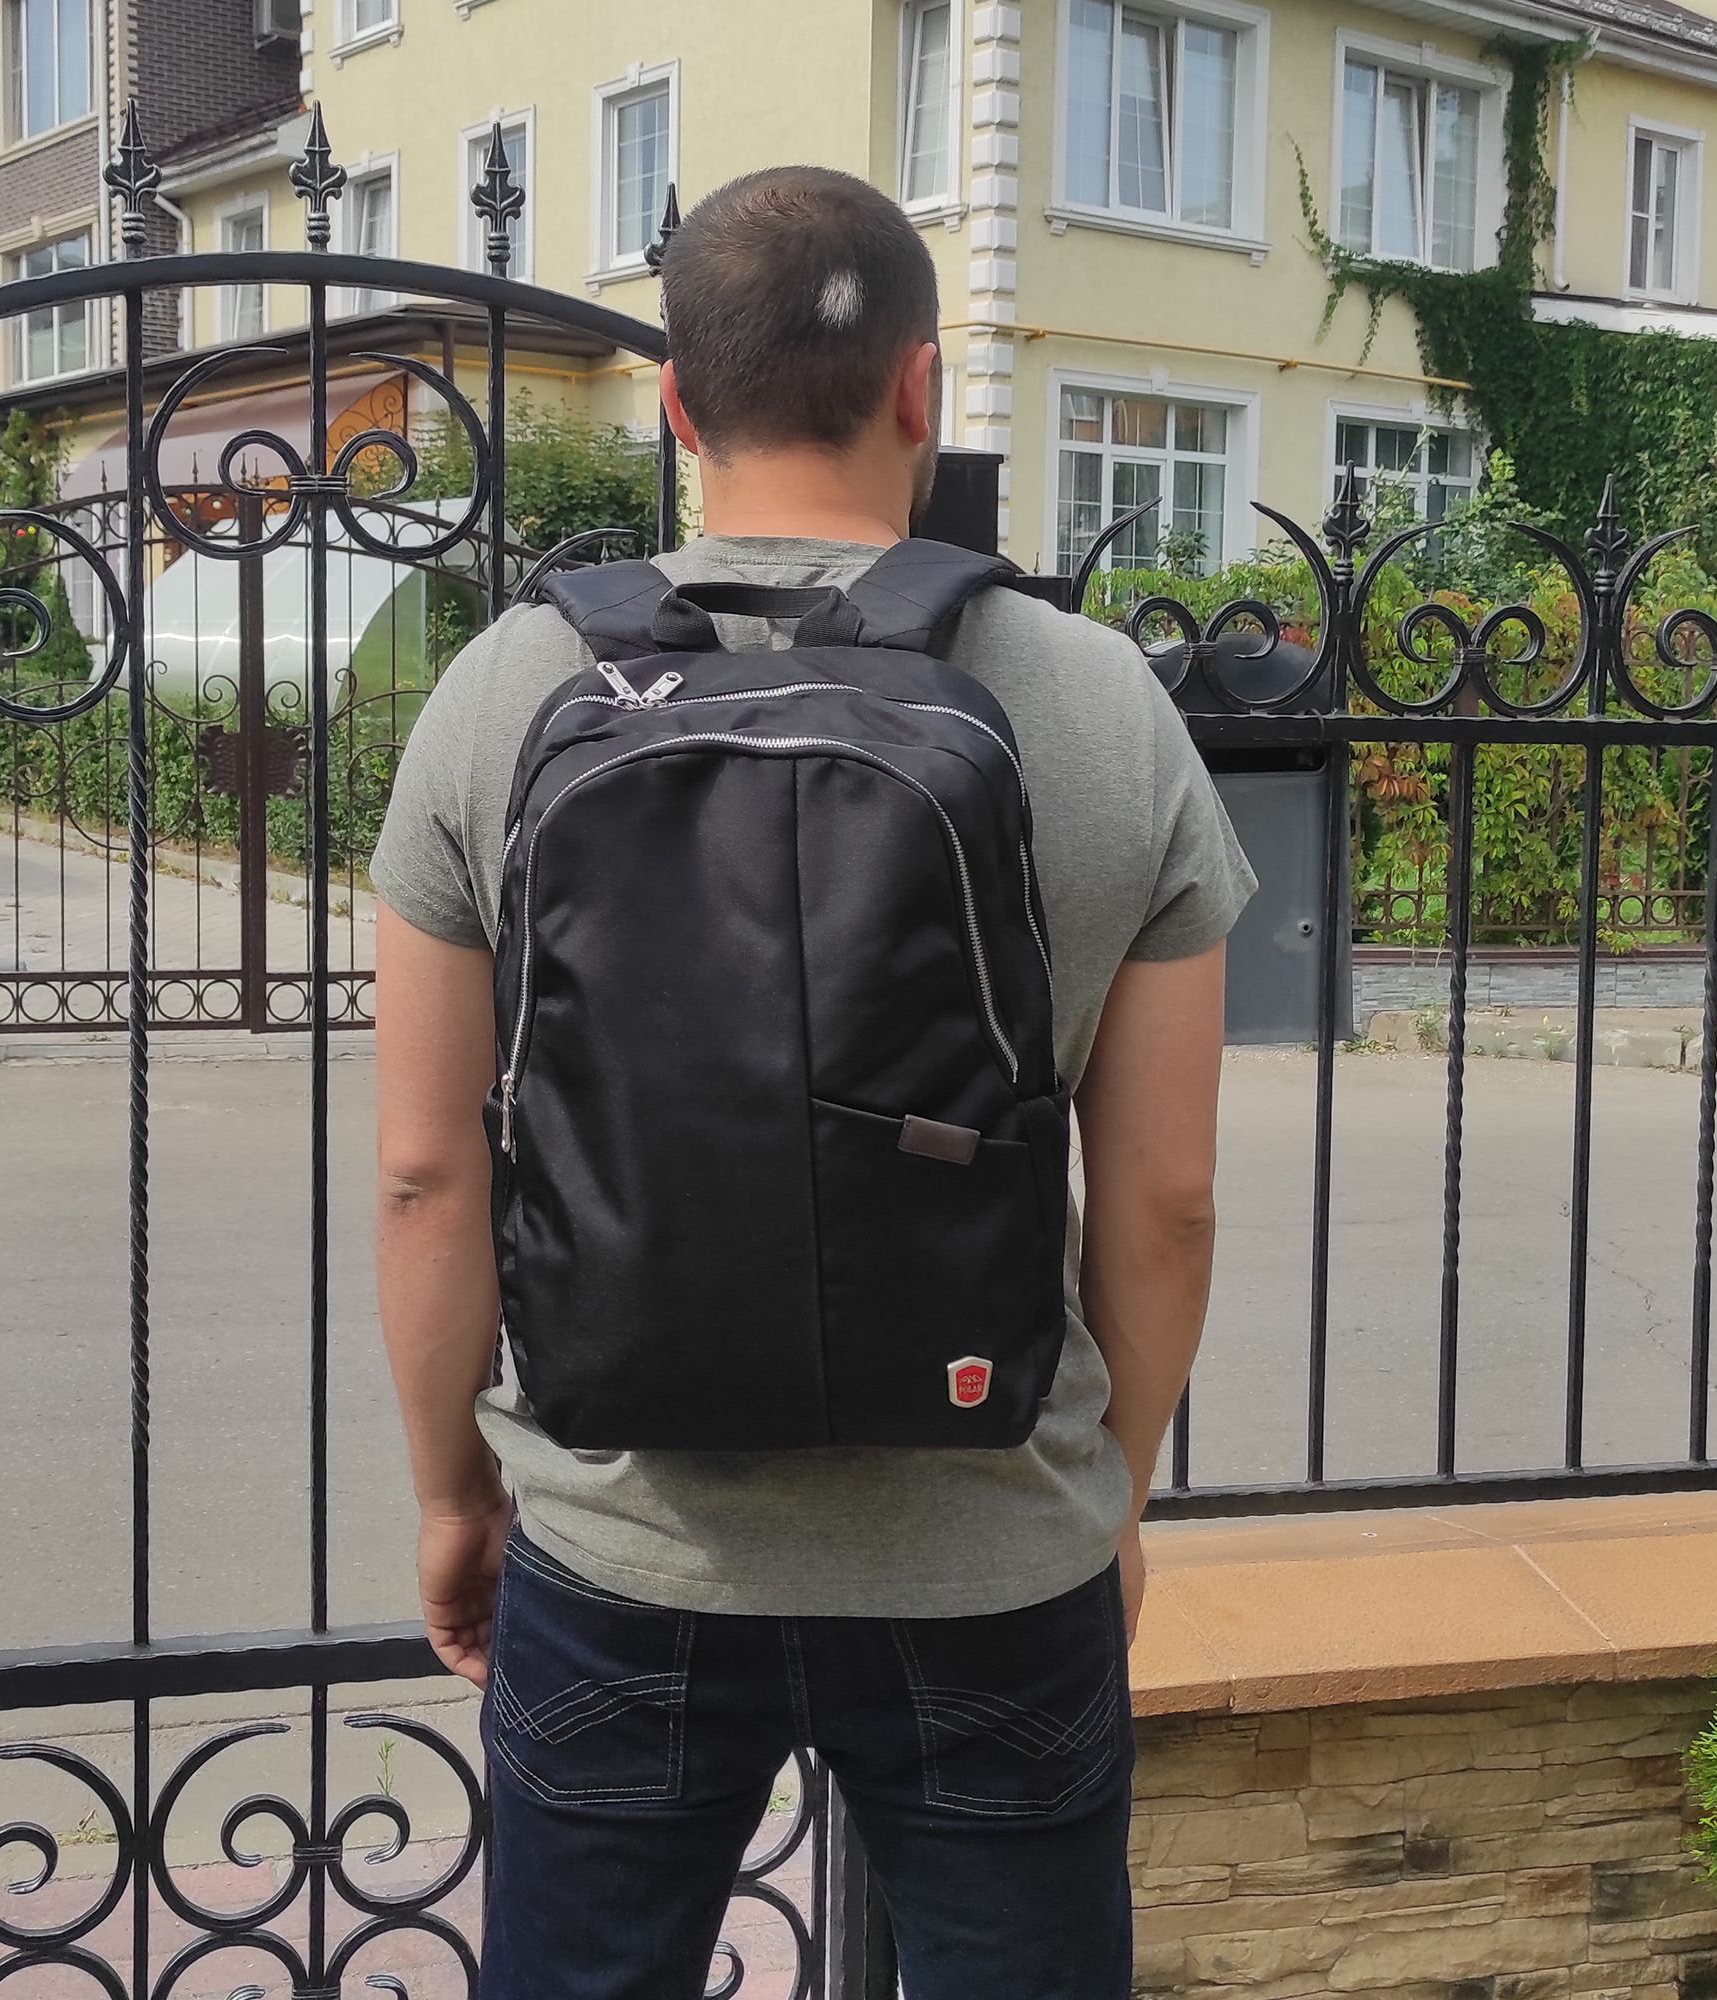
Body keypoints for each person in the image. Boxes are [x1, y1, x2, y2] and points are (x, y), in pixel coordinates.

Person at [369, 164, 1254, 1999]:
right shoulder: (1099, 703)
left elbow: (428, 1177)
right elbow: (1167, 1199)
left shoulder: (506, 692)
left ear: (676, 406)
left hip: (623, 1551)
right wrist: (1113, 1496)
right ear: (922, 388)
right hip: (996, 1556)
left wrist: (458, 1498)